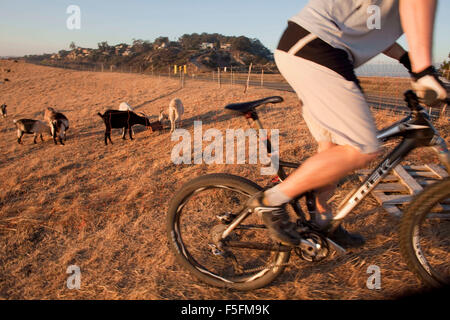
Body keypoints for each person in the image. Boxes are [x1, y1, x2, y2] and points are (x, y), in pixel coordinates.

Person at [247, 0, 448, 247]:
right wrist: (422, 71)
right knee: (362, 148)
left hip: (309, 47)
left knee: (332, 151)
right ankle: (271, 202)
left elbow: (374, 29)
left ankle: (322, 221)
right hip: (317, 47)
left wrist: (407, 59)